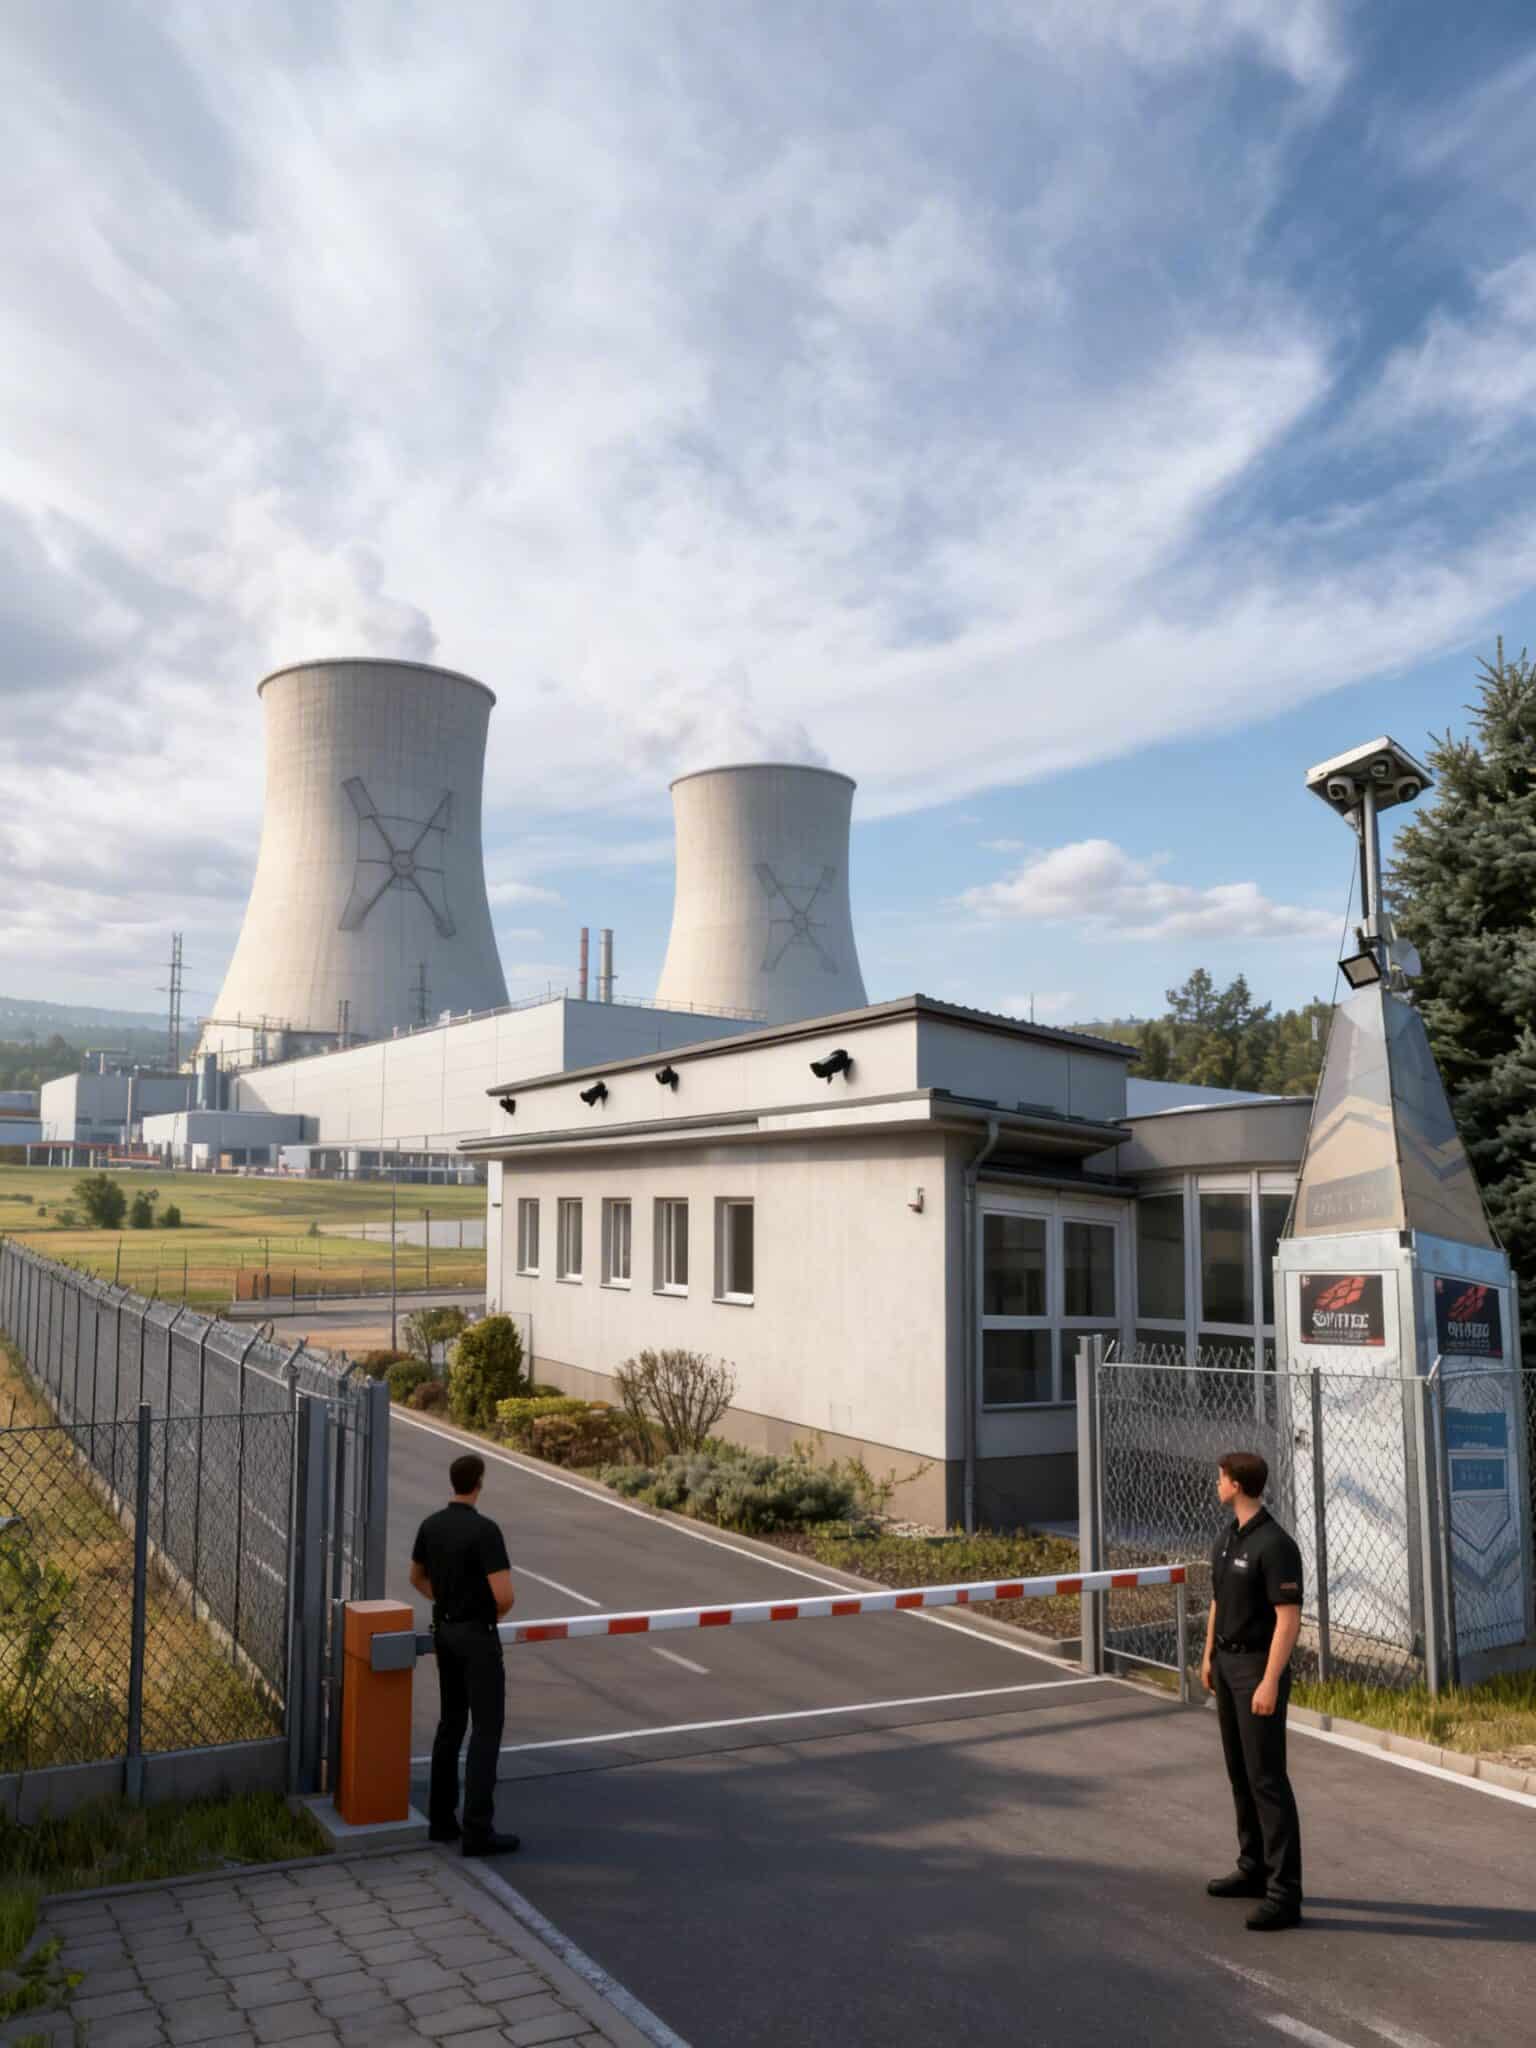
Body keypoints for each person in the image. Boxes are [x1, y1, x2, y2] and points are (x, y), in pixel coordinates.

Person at [1201, 1448, 1304, 1931]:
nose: (1216, 1484)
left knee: (1267, 1780)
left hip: (1257, 1668)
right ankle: (1253, 1868)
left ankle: (1284, 1894)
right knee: (1239, 1773)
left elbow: (1288, 1619)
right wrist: (1208, 1656)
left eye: (1220, 1478)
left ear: (1237, 1485)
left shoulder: (1275, 1545)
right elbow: (1218, 1602)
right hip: (1226, 1664)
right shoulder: (1226, 1538)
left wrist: (1269, 1680)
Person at [410, 1451, 520, 1856]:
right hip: (477, 1636)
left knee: (451, 1723)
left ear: (453, 1482)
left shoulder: (431, 1525)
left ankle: (441, 1820)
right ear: (479, 1483)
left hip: (445, 1632)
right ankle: (477, 1830)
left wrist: (447, 1599)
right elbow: (504, 1596)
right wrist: (484, 1612)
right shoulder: (485, 1531)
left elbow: (416, 1577)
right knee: (486, 1730)